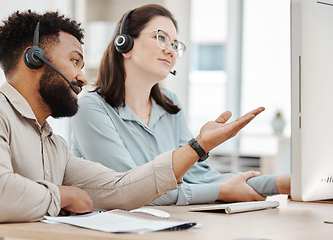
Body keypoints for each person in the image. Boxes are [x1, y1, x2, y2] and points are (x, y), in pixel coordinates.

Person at [0, 10, 265, 240]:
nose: (82, 77)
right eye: (74, 61)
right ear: (34, 59)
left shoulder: (52, 144)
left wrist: (198, 146)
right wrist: (64, 195)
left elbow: (119, 189)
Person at [71, 4, 290, 206]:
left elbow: (199, 176)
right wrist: (220, 191)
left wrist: (283, 183)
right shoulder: (91, 109)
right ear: (125, 45)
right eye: (161, 38)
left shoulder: (170, 105)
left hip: (167, 225)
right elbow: (133, 192)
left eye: (175, 44)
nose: (171, 50)